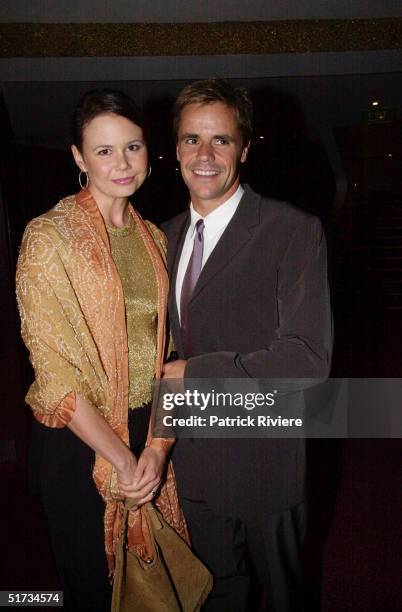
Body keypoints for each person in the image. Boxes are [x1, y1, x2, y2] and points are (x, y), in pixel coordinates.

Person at [162, 79, 332, 611]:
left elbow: (307, 358)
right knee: (215, 594)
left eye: (222, 140)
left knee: (285, 596)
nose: (205, 155)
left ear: (245, 147)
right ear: (175, 150)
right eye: (192, 139)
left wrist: (195, 373)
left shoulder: (292, 231)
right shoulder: (158, 237)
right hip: (190, 464)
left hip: (265, 460)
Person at [16, 89, 186, 612]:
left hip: (146, 431)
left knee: (153, 586)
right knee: (91, 587)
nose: (122, 163)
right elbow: (53, 374)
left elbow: (175, 357)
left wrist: (155, 450)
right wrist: (124, 460)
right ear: (78, 157)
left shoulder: (155, 238)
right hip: (79, 442)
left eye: (132, 147)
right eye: (104, 150)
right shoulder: (49, 236)